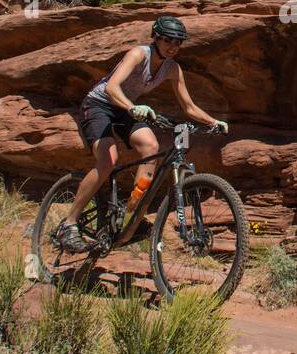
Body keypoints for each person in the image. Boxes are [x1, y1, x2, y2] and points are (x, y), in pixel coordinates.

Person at [58, 15, 227, 252]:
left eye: (178, 42)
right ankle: (69, 223)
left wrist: (213, 121)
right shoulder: (139, 54)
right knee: (108, 161)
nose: (173, 46)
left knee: (151, 147)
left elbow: (187, 106)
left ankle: (130, 216)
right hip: (99, 105)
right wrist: (132, 107)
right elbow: (111, 87)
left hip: (127, 108)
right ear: (155, 37)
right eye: (168, 40)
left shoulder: (172, 68)